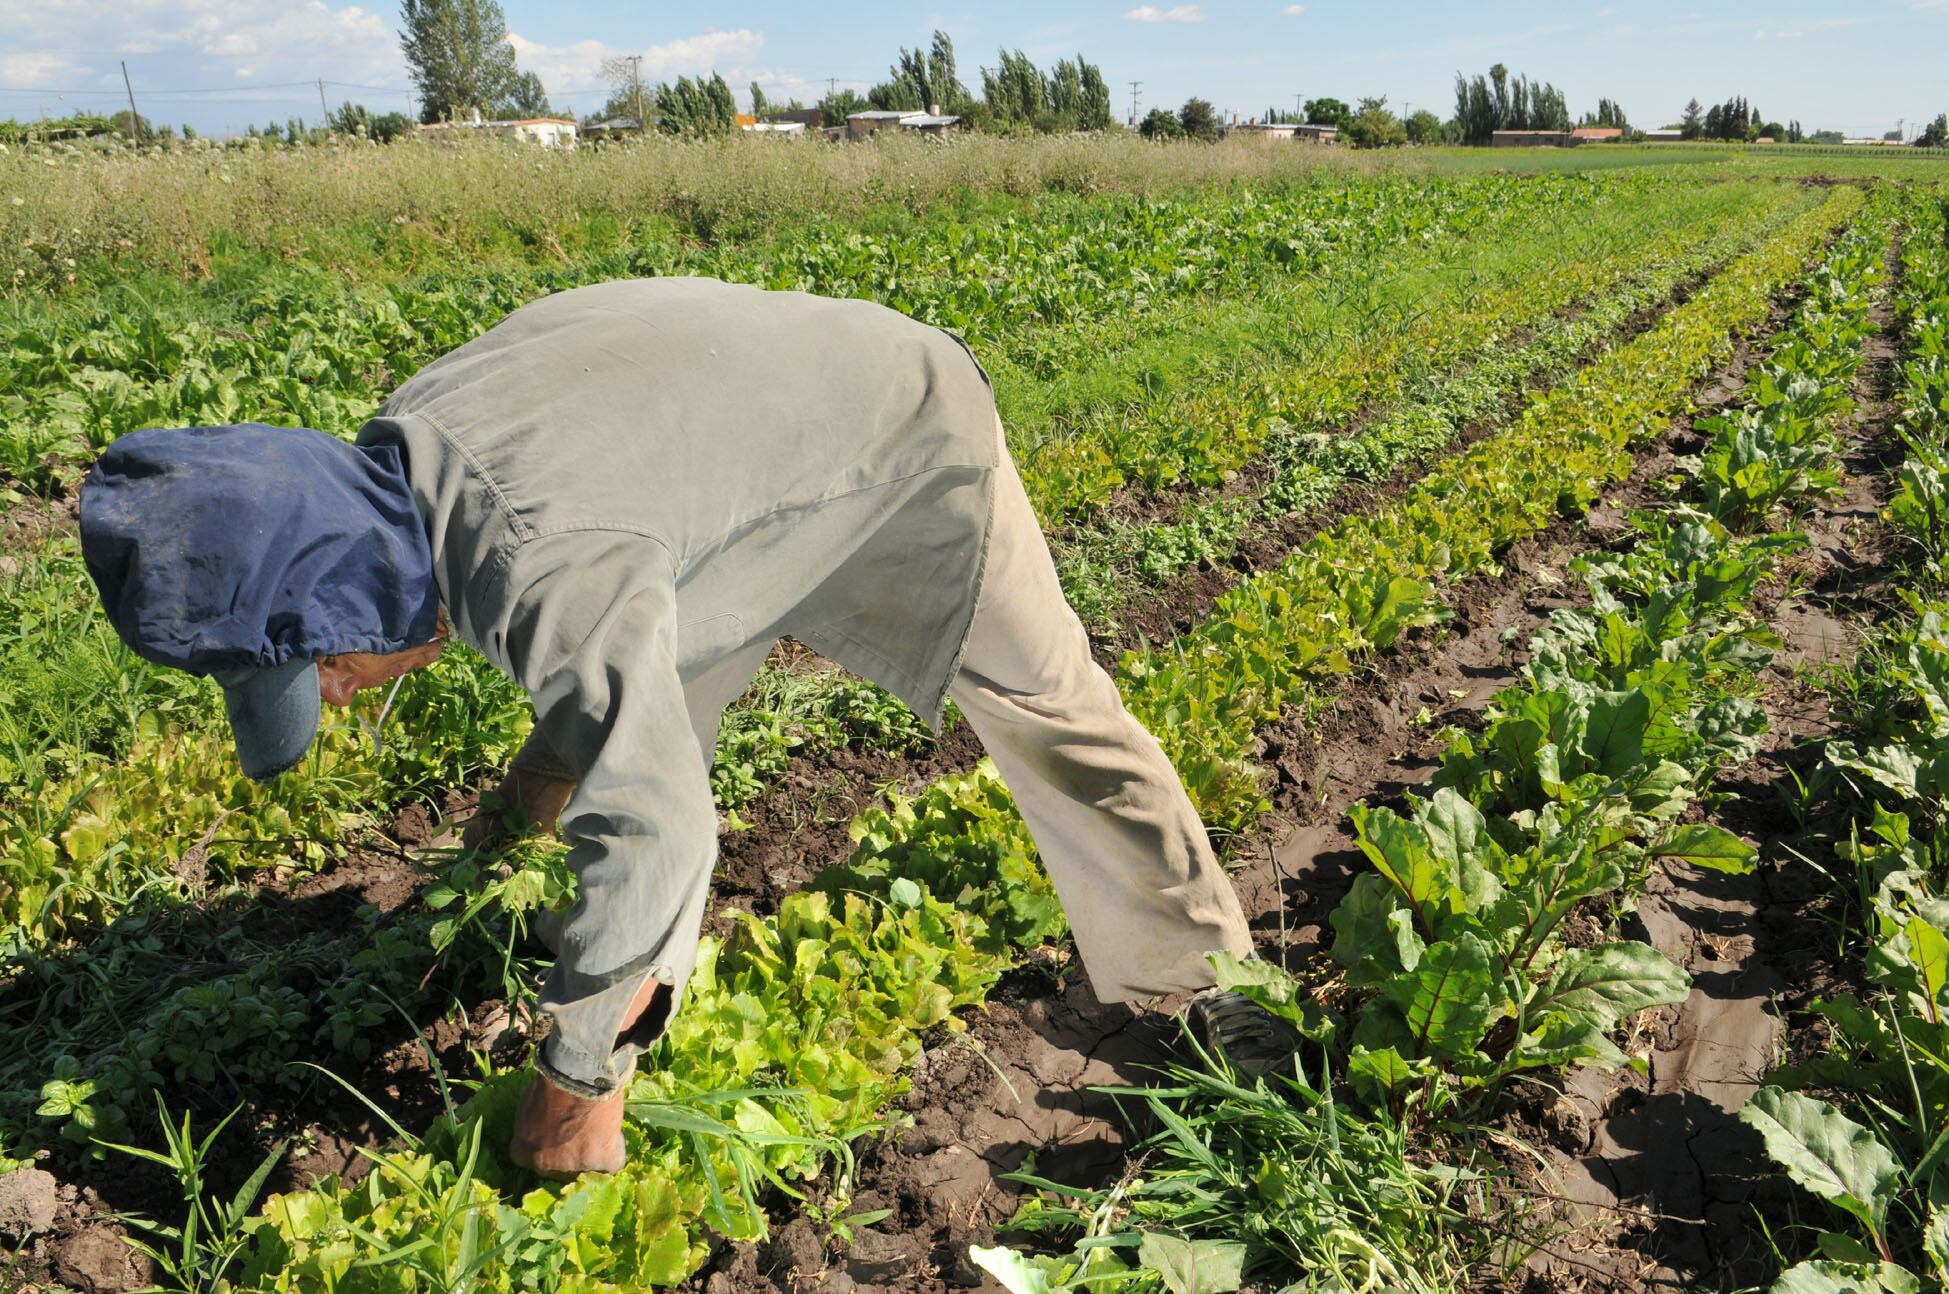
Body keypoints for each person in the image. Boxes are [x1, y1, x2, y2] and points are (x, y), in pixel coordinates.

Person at [78, 277, 1295, 1179]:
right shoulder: (411, 446)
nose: (338, 696)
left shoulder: (545, 560)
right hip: (726, 485)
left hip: (898, 430)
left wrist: (571, 1097)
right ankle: (619, 981)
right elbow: (600, 669)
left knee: (1050, 710)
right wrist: (515, 817)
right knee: (642, 712)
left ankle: (1216, 988)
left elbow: (654, 812)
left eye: (327, 670)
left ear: (357, 591)